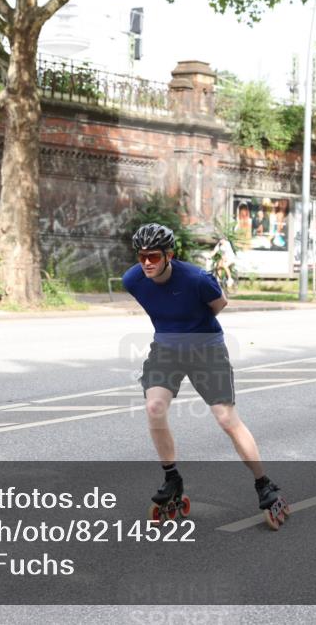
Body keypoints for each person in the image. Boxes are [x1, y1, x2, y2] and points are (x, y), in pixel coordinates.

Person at [121, 223, 285, 524]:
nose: (146, 262)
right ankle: (172, 478)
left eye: (154, 256)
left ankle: (264, 483)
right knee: (154, 407)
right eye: (142, 256)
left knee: (226, 419)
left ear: (169, 255)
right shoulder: (132, 280)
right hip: (166, 349)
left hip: (206, 350)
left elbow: (219, 305)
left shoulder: (198, 279)